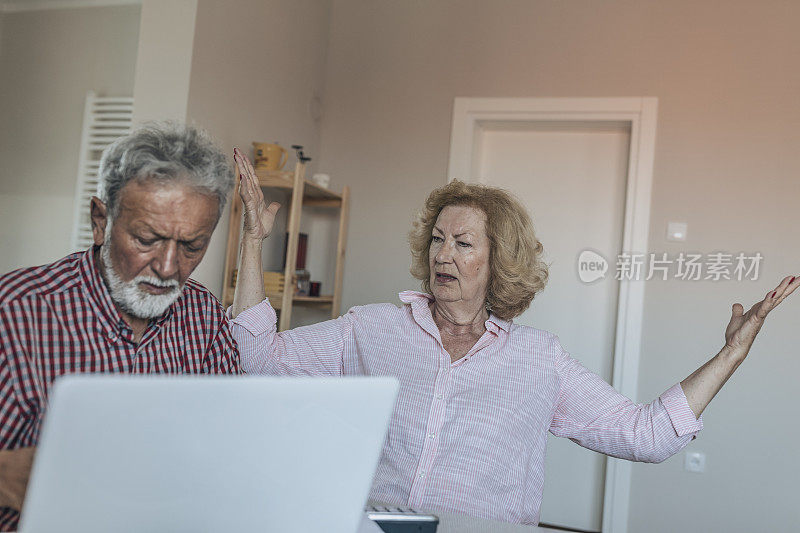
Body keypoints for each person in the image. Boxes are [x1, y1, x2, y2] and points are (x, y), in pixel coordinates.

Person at [229, 148, 796, 525]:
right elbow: (258, 360)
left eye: (463, 243)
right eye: (437, 239)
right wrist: (253, 242)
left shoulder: (539, 362)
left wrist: (730, 355)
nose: (443, 254)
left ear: (499, 260)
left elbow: (647, 434)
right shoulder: (373, 329)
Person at [0, 123, 241, 531]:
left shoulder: (205, 315)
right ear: (100, 220)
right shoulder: (16, 312)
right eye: (147, 238)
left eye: (191, 246)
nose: (168, 268)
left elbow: (232, 444)